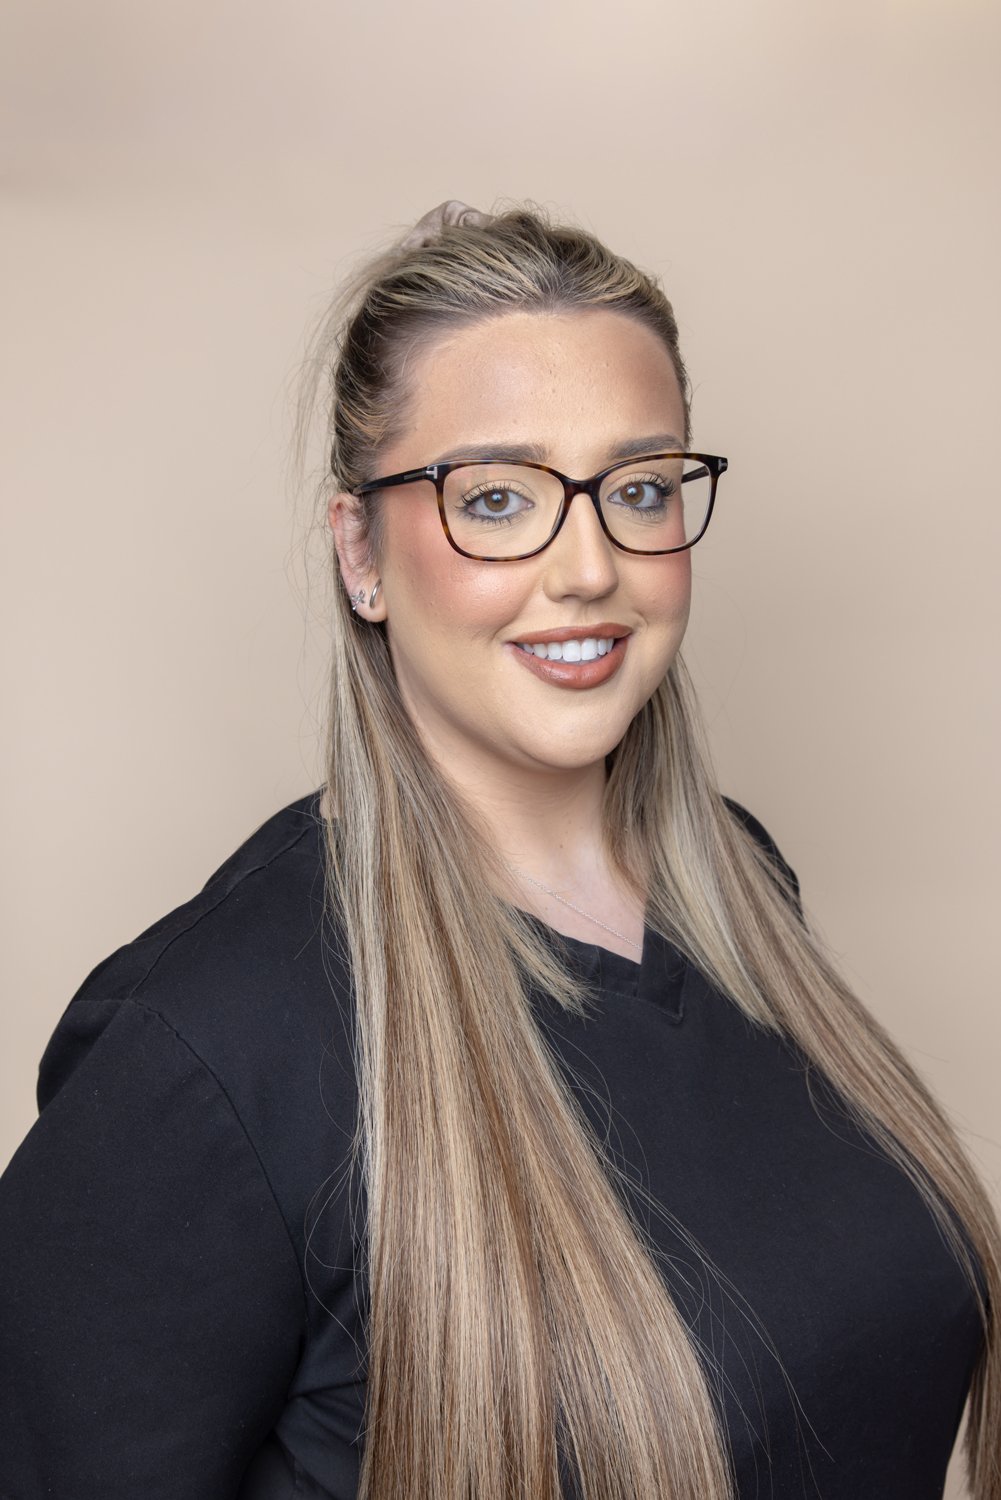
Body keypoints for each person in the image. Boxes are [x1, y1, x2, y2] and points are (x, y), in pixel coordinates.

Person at [0, 200, 998, 1500]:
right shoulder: (204, 1048)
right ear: (360, 552)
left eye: (637, 488)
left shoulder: (741, 892)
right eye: (496, 498)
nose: (587, 566)